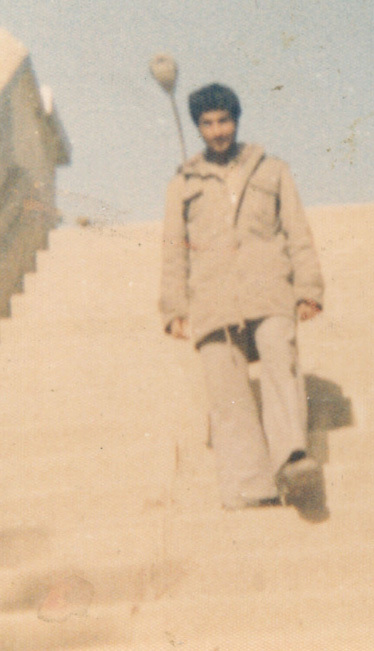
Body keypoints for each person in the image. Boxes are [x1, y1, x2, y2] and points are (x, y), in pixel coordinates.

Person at [159, 83, 325, 510]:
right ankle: (252, 486)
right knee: (227, 392)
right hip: (213, 297)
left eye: (224, 121)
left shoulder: (272, 170)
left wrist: (308, 288)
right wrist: (174, 307)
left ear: (236, 121)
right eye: (208, 123)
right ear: (198, 128)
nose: (218, 131)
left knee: (280, 361)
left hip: (268, 287)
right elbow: (174, 249)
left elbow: (298, 231)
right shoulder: (183, 183)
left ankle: (292, 457)